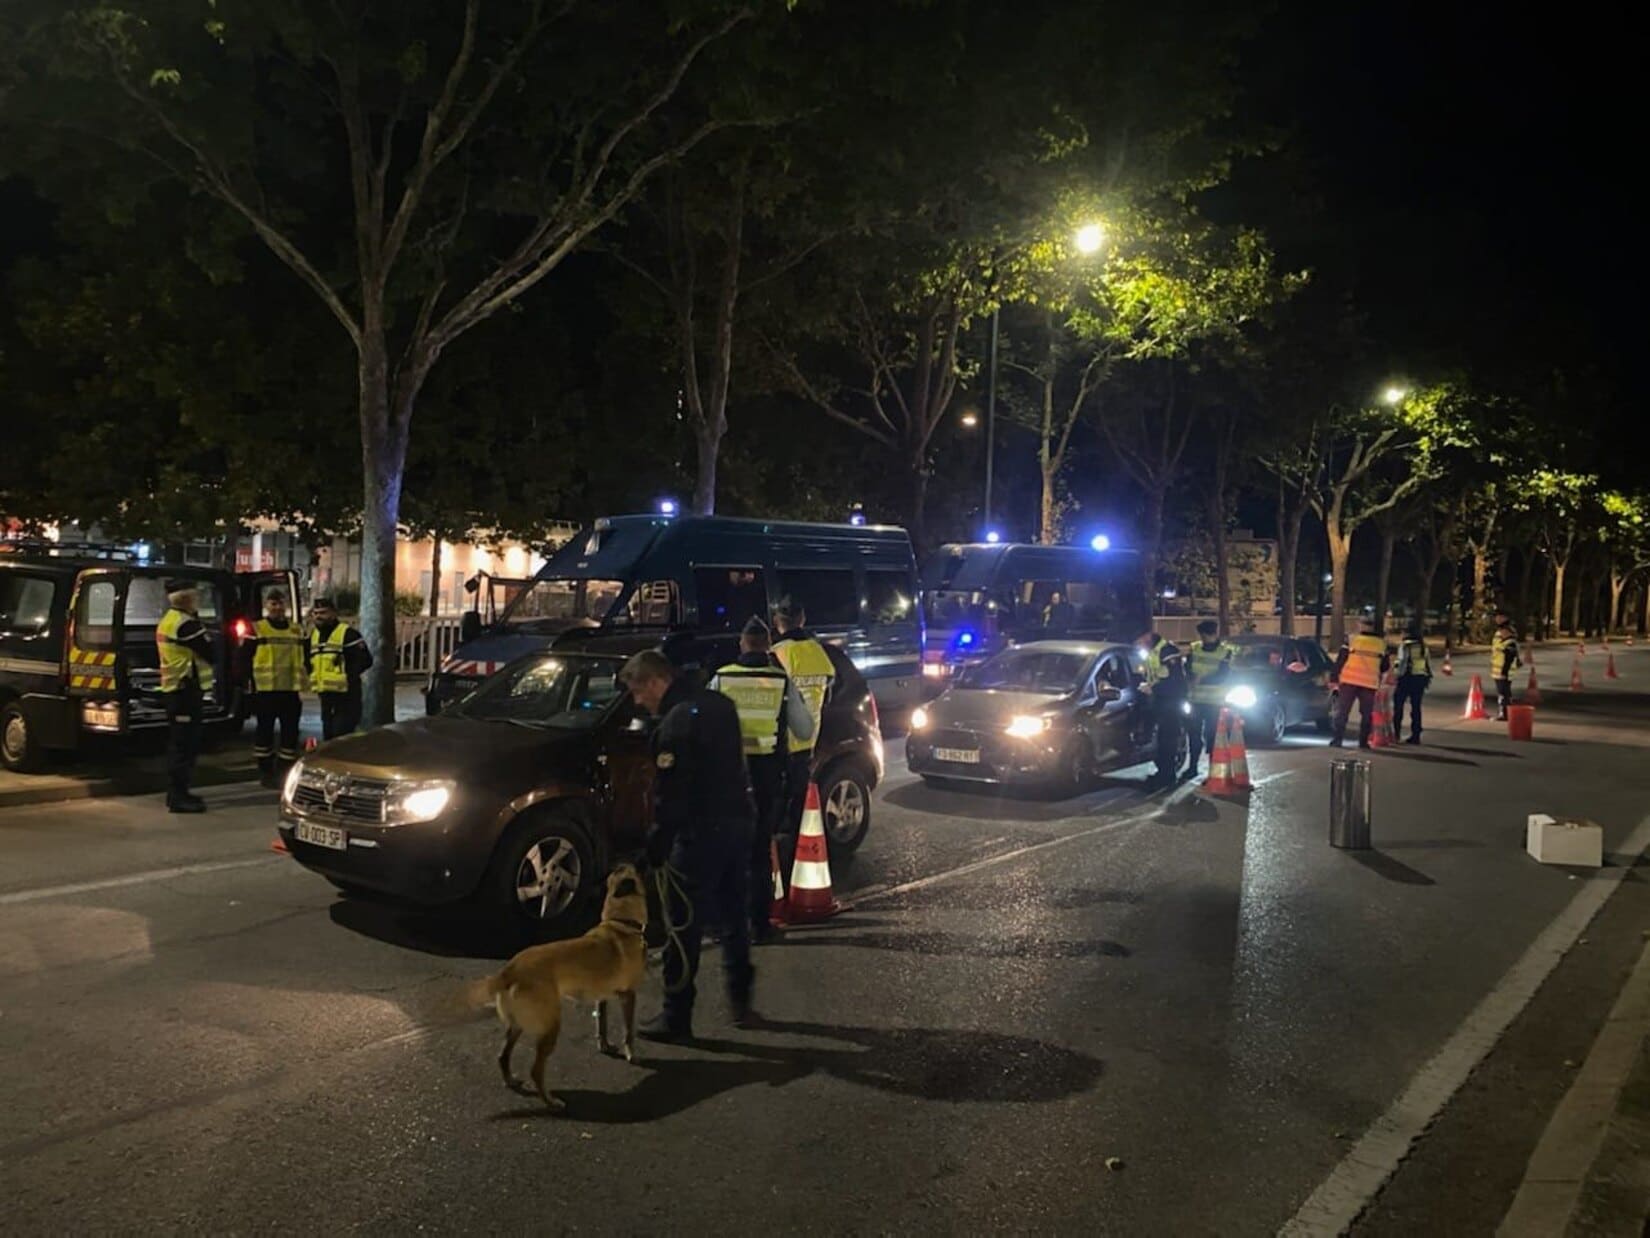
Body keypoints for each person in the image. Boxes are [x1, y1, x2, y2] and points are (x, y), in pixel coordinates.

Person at [621, 649, 756, 1041]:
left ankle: (676, 1016)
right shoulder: (720, 704)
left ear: (654, 681)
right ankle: (740, 999)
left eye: (637, 692)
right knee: (733, 917)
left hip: (699, 835)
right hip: (737, 823)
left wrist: (657, 846)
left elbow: (671, 795)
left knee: (684, 927)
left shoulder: (677, 723)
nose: (637, 701)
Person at [709, 616, 815, 944]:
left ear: (742, 644)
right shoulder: (781, 682)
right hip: (766, 780)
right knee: (757, 854)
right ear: (768, 646)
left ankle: (722, 924)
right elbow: (804, 730)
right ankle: (760, 926)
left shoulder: (721, 679)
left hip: (727, 779)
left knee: (723, 851)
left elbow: (703, 725)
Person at [771, 599, 837, 837]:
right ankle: (799, 839)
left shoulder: (778, 652)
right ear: (803, 620)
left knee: (777, 796)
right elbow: (830, 688)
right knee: (800, 795)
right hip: (809, 738)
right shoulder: (818, 651)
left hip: (781, 739)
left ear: (779, 623)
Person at [155, 580, 216, 813]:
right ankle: (178, 796)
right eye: (195, 596)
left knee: (181, 744)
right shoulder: (186, 625)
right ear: (187, 599)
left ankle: (180, 793)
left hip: (177, 690)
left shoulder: (169, 620)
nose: (198, 599)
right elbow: (210, 652)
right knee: (184, 746)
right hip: (185, 692)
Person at [241, 591, 307, 787]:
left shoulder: (297, 630)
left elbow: (307, 657)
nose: (277, 607)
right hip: (265, 691)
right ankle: (266, 772)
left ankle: (284, 771)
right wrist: (247, 685)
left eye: (280, 603)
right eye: (273, 603)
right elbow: (244, 658)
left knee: (290, 735)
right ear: (266, 606)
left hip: (290, 690)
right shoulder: (257, 629)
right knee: (264, 734)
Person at [308, 597, 373, 739]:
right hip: (326, 696)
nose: (319, 616)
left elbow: (365, 660)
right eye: (316, 613)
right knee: (329, 735)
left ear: (333, 614)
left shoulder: (348, 634)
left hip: (347, 696)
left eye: (323, 613)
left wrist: (347, 675)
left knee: (341, 735)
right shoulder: (314, 636)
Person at [1183, 620, 1237, 777]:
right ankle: (1192, 768)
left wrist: (1200, 680)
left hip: (1215, 702)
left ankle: (1213, 773)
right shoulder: (1195, 648)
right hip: (1195, 700)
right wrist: (1191, 678)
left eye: (1205, 635)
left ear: (1213, 634)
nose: (1203, 638)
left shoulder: (1225, 652)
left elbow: (1223, 676)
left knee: (1213, 738)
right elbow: (1187, 668)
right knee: (1193, 735)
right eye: (1202, 636)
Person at [1134, 629, 1185, 788]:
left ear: (1148, 636)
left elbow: (1175, 680)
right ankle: (1162, 774)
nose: (1139, 644)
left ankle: (1167, 776)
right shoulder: (1152, 652)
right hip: (1160, 702)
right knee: (1162, 740)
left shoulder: (1168, 651)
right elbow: (1150, 674)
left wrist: (1153, 689)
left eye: (1141, 640)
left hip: (1171, 703)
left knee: (1168, 740)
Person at [1330, 616, 1389, 748]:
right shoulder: (1381, 644)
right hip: (1369, 683)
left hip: (1349, 681)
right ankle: (1363, 742)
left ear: (1360, 626)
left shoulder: (1352, 640)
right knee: (1367, 714)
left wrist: (1334, 678)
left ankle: (1337, 740)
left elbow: (1341, 660)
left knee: (1342, 712)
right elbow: (1385, 666)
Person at [1393, 620, 1433, 744]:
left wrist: (1396, 674)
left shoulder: (1405, 646)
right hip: (1420, 678)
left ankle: (1396, 733)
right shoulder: (1422, 646)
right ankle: (1416, 735)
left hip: (1406, 678)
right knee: (1416, 708)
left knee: (1398, 706)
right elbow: (1427, 663)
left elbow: (1402, 663)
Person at [1491, 619, 1522, 721]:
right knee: (1504, 693)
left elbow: (1508, 660)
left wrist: (1504, 673)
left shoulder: (1510, 643)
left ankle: (1504, 714)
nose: (1500, 633)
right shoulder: (1503, 640)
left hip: (1504, 673)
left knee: (1503, 694)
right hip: (1499, 672)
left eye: (1502, 631)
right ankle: (1506, 713)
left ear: (1507, 631)